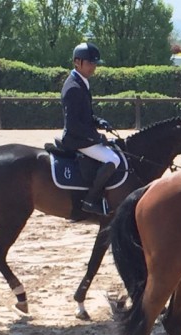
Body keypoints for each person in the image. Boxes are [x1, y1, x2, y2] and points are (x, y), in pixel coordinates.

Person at [61, 42, 119, 216]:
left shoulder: (81, 82)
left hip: (82, 135)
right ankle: (90, 200)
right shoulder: (73, 87)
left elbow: (85, 115)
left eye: (95, 63)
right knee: (113, 159)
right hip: (76, 138)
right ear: (77, 62)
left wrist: (99, 121)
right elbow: (73, 124)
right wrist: (96, 136)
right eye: (90, 63)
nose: (93, 67)